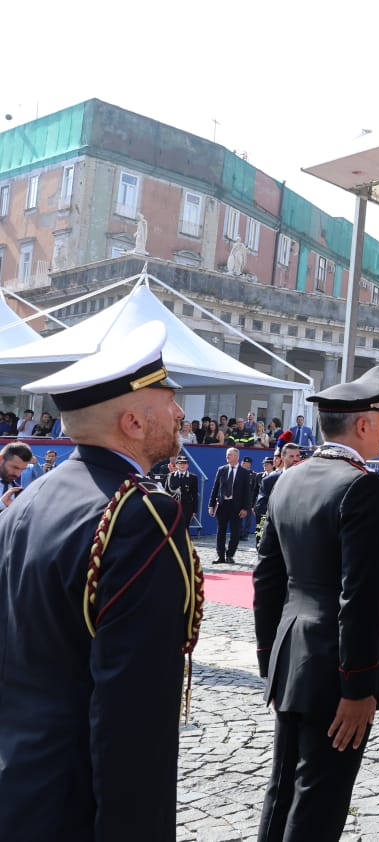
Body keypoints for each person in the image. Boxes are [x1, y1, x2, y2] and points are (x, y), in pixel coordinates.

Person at [0, 321, 198, 840]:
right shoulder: (141, 514)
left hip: (19, 784)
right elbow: (132, 714)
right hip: (80, 804)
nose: (180, 414)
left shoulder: (26, 502)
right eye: (168, 399)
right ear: (132, 421)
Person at [254, 365, 379, 842]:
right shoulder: (363, 485)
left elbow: (266, 580)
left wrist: (268, 661)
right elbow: (359, 595)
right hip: (336, 669)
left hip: (291, 655)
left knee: (282, 791)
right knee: (320, 799)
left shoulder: (287, 479)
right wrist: (357, 687)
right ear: (361, 425)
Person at [209, 446, 251, 564]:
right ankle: (220, 555)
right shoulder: (221, 469)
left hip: (236, 506)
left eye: (230, 455)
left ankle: (230, 555)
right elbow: (215, 488)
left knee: (235, 532)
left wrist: (245, 508)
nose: (227, 456)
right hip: (222, 505)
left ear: (237, 456)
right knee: (220, 531)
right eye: (227, 454)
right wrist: (211, 505)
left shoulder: (244, 472)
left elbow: (247, 492)